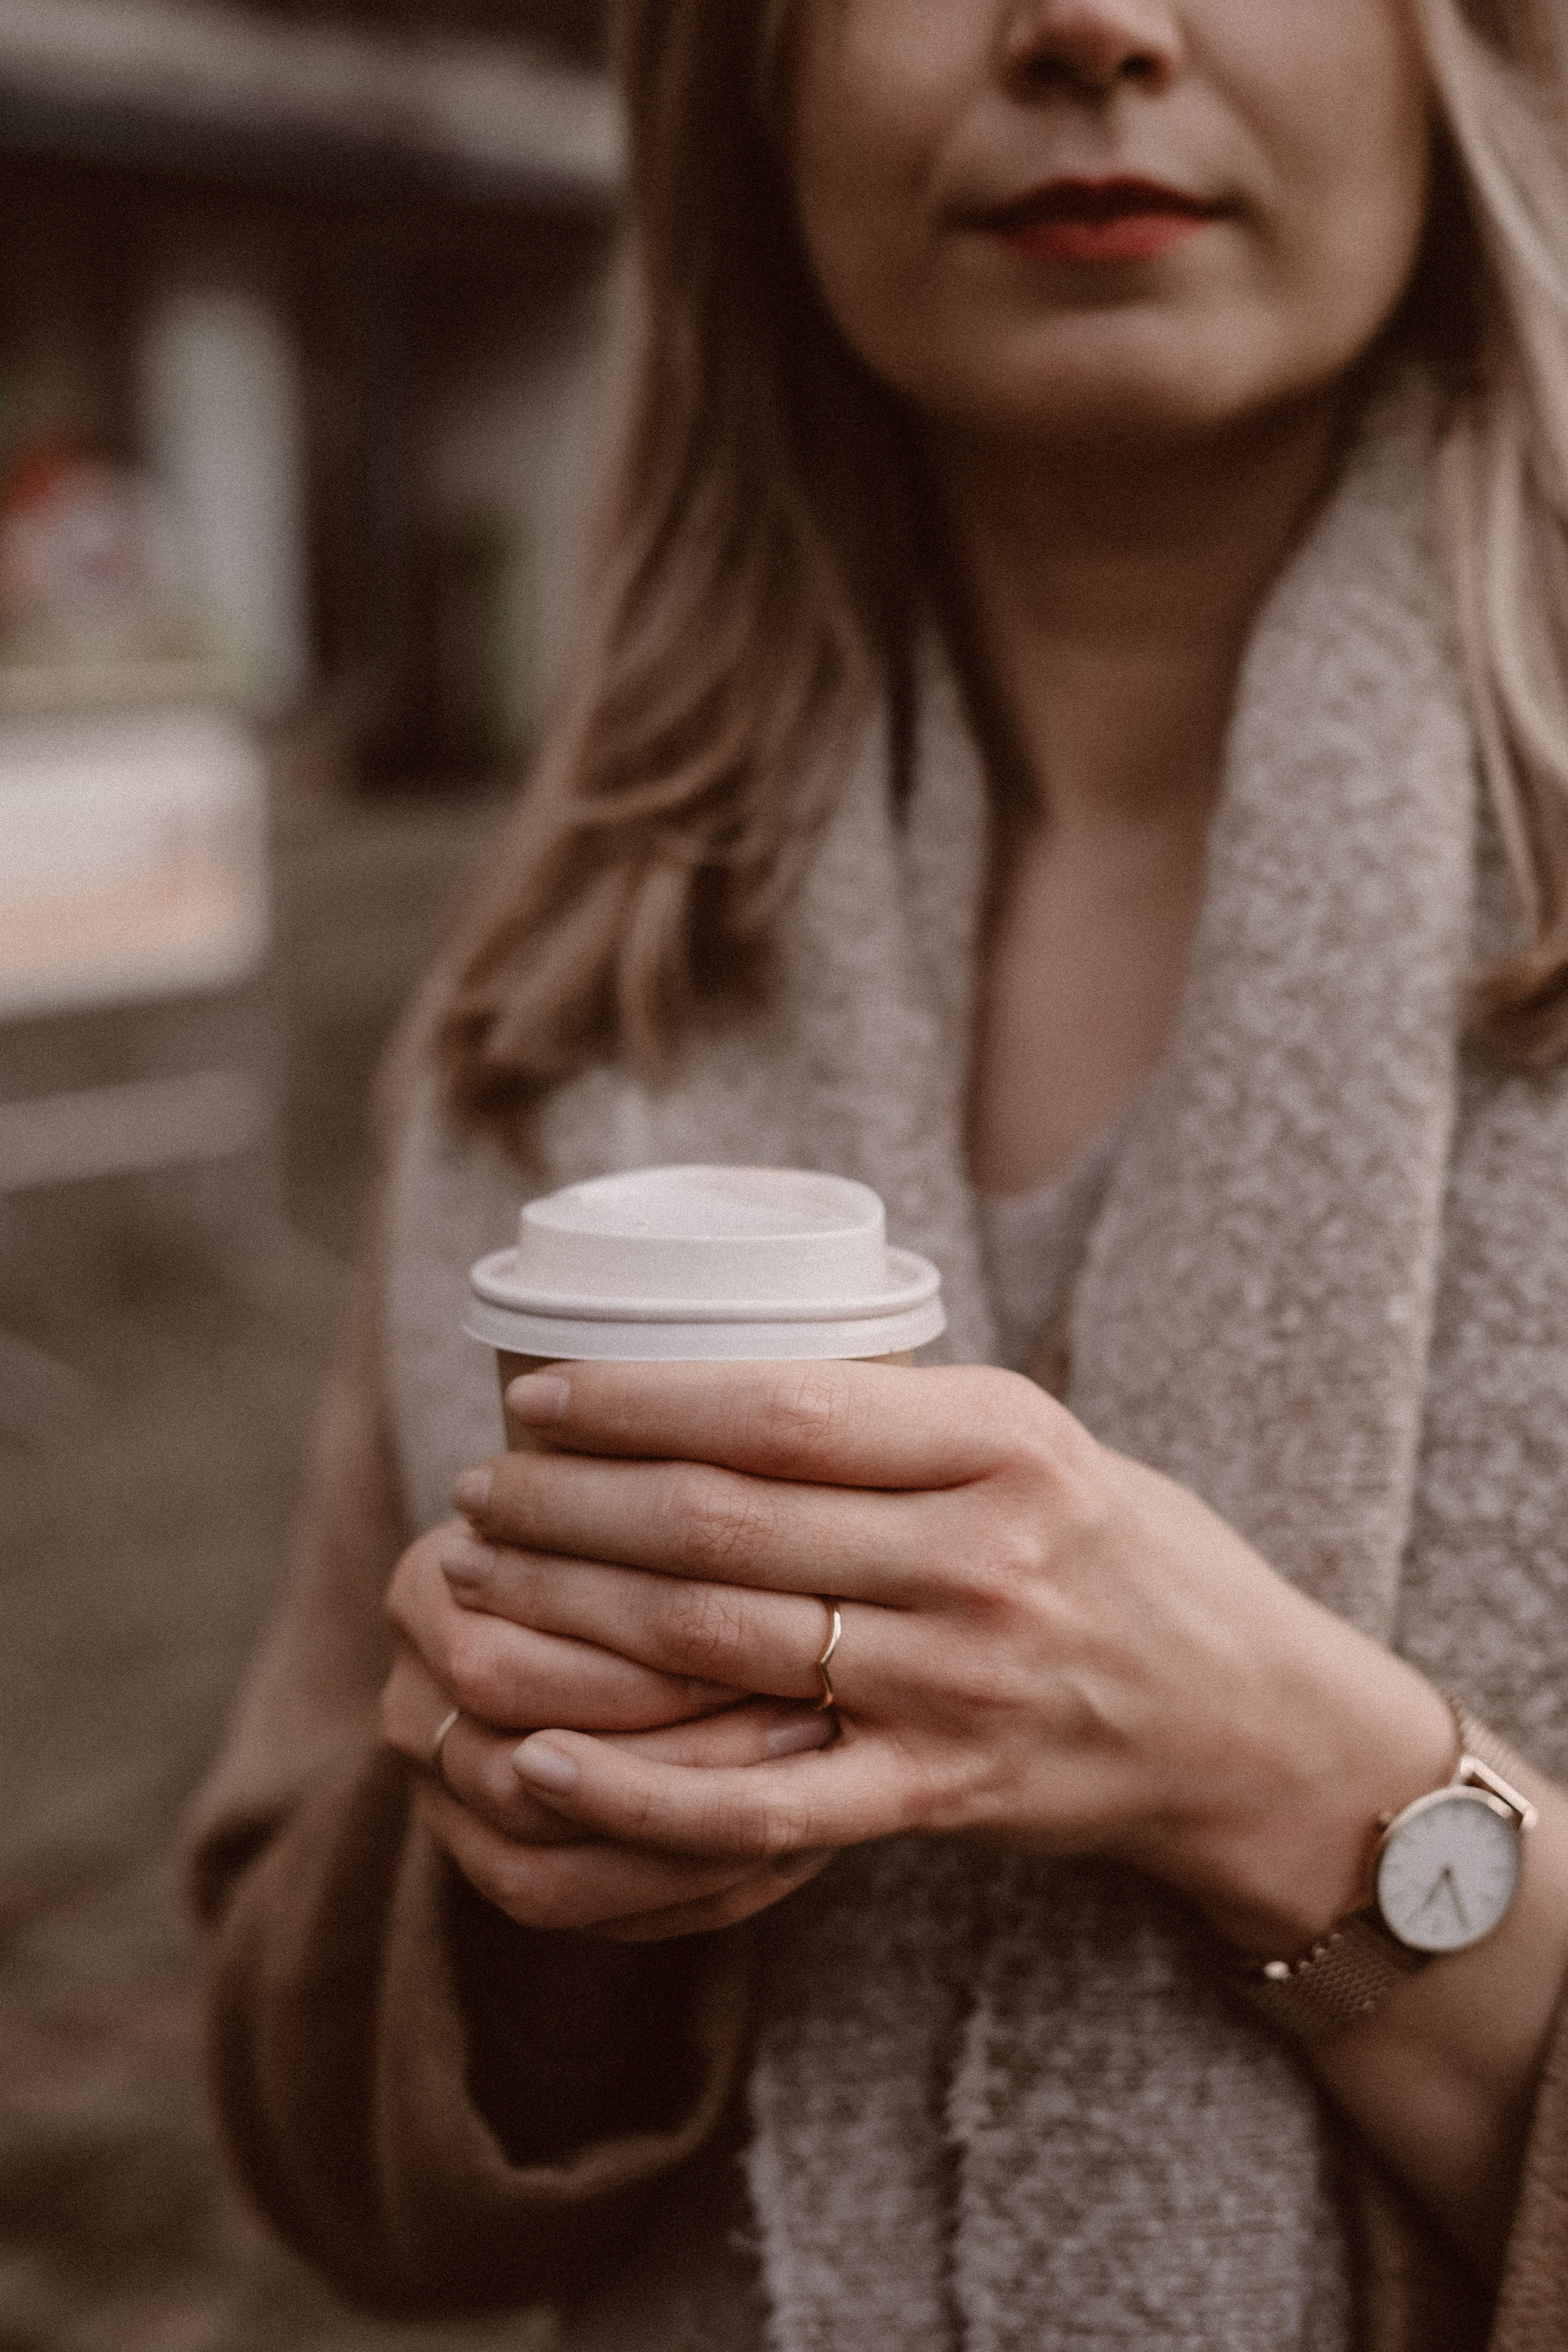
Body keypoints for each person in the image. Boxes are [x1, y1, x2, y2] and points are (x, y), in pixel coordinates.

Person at [189, 3, 1568, 2346]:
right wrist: (527, 1912)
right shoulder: (558, 1018)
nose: (1090, 30)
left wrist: (1289, 1776)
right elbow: (329, 2164)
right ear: (749, 78)